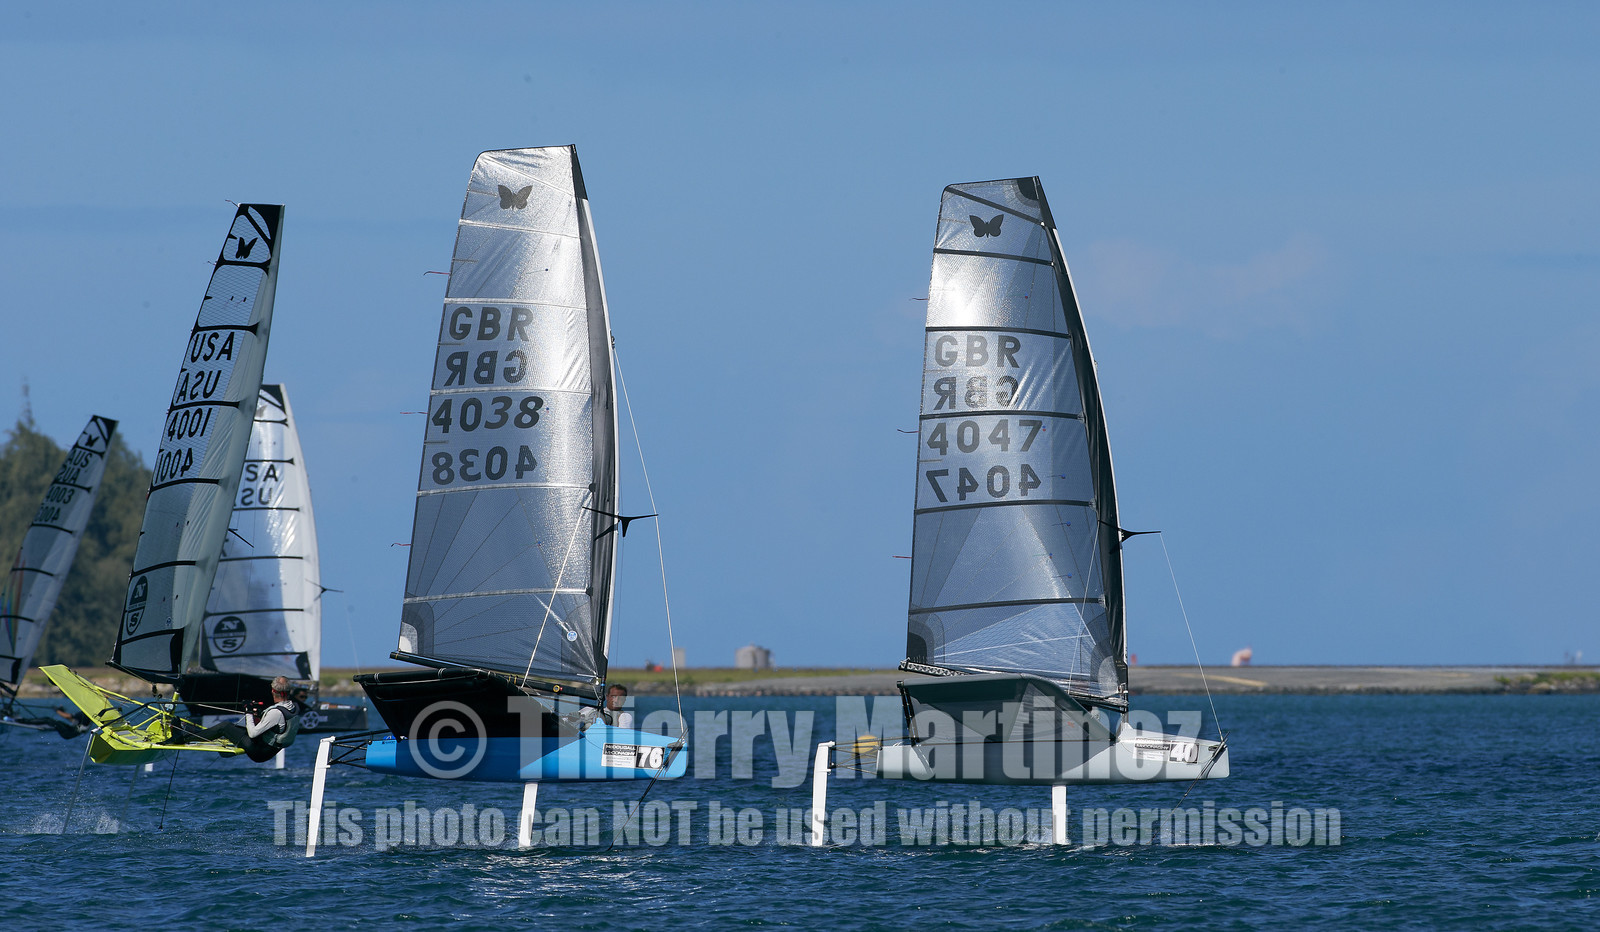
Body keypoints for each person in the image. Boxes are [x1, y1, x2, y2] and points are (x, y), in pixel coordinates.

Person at [172, 675, 304, 762]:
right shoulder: (292, 707)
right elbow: (276, 725)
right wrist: (258, 713)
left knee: (225, 727)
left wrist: (248, 711)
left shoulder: (275, 713)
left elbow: (252, 733)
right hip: (268, 749)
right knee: (232, 730)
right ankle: (191, 733)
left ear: (273, 691)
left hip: (259, 752)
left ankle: (181, 738)